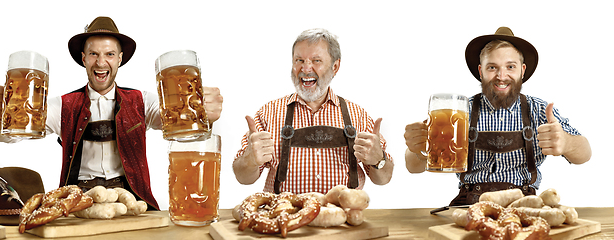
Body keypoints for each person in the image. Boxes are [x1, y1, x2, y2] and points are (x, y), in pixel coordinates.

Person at [0, 16, 223, 210]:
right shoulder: (63, 105)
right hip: (77, 199)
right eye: (94, 54)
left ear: (120, 59)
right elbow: (16, 134)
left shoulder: (142, 101)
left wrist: (203, 116)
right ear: (83, 58)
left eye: (109, 54)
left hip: (133, 198)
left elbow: (181, 128)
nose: (100, 62)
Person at [403, 27, 592, 206]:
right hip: (469, 204)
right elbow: (413, 166)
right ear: (481, 71)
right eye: (492, 67)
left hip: (525, 205)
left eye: (510, 66)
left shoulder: (540, 109)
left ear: (522, 70)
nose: (502, 76)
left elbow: (585, 153)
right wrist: (418, 148)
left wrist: (565, 142)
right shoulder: (460, 111)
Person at [233, 28, 393, 194]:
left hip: (343, 216)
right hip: (284, 216)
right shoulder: (269, 113)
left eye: (316, 60)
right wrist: (250, 160)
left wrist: (378, 160)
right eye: (299, 60)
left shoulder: (357, 115)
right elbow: (243, 177)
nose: (306, 68)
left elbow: (383, 178)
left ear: (335, 67)